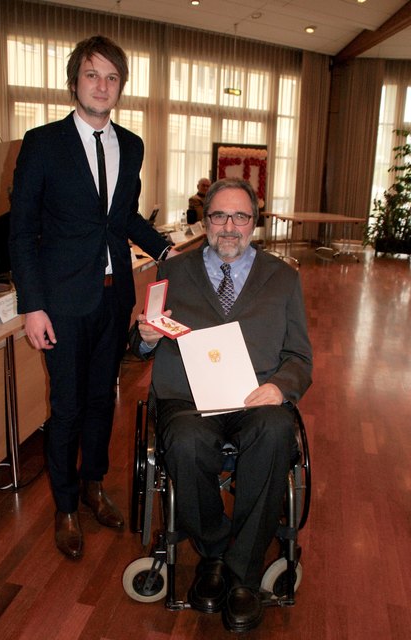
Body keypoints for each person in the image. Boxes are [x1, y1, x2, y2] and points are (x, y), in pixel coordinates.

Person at [9, 35, 175, 560]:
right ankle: (63, 505)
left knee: (105, 399)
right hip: (59, 301)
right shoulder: (41, 143)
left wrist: (166, 248)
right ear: (74, 81)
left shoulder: (131, 144)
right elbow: (21, 231)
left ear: (120, 86)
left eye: (111, 77)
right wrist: (32, 305)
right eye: (92, 75)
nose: (102, 86)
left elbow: (121, 216)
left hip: (113, 296)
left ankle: (93, 485)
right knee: (67, 405)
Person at [134, 178, 312, 633]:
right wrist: (146, 338)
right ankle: (214, 552)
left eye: (240, 217)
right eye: (219, 216)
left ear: (255, 222)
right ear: (205, 219)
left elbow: (299, 358)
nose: (229, 227)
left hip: (257, 398)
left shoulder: (284, 277)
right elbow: (139, 343)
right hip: (188, 400)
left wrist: (279, 388)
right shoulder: (174, 272)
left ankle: (244, 575)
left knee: (275, 431)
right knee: (186, 443)